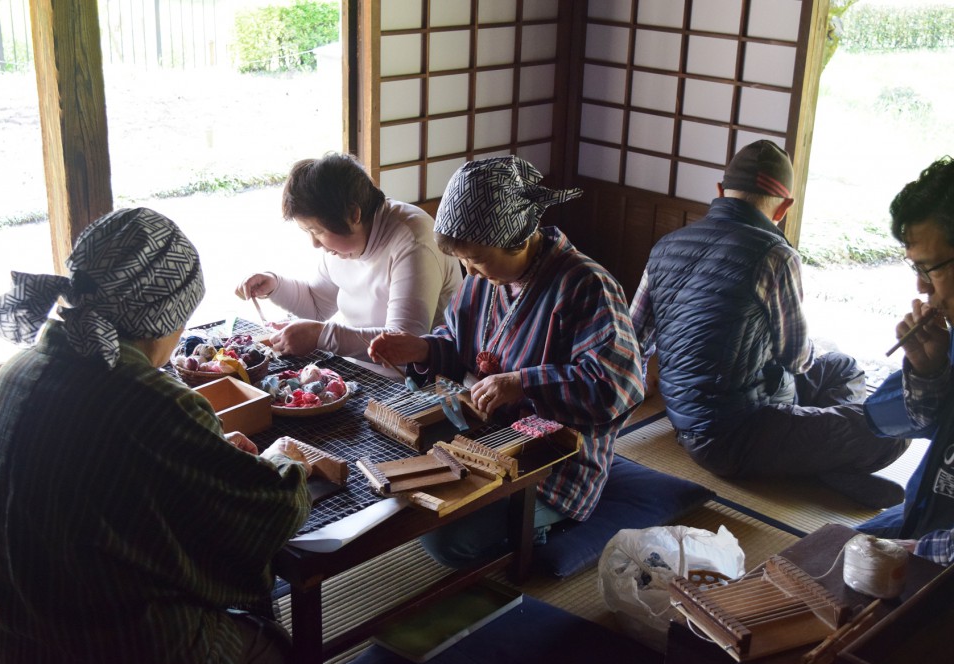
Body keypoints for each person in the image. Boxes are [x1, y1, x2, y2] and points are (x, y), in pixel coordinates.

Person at [0, 208, 311, 664]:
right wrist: (283, 463)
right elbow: (265, 512)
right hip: (121, 656)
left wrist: (206, 453)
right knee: (280, 655)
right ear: (166, 314)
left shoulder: (18, 370)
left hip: (17, 642)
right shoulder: (148, 399)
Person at [368, 155, 645, 568]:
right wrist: (423, 350)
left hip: (554, 461)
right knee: (396, 478)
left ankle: (542, 523)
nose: (469, 272)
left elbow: (618, 387)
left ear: (517, 238)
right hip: (483, 439)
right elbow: (455, 342)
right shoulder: (484, 278)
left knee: (446, 538)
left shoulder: (586, 285)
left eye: (476, 260)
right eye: (463, 262)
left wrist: (522, 383)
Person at [630, 139, 909, 509]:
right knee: (894, 429)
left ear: (720, 191)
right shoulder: (775, 255)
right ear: (785, 208)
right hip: (740, 432)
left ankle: (819, 460)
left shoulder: (665, 245)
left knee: (842, 365)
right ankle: (825, 463)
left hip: (686, 422)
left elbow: (633, 338)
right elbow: (796, 359)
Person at [235, 152, 463, 364]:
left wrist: (321, 335)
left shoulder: (413, 240)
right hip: (363, 369)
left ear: (354, 214)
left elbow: (403, 345)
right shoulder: (342, 244)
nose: (315, 244)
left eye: (317, 231)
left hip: (420, 382)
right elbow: (317, 306)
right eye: (309, 232)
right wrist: (275, 285)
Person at [859, 157, 954, 567]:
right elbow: (888, 422)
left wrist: (914, 555)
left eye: (927, 268)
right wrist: (928, 370)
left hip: (939, 548)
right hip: (927, 513)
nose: (919, 285)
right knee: (820, 555)